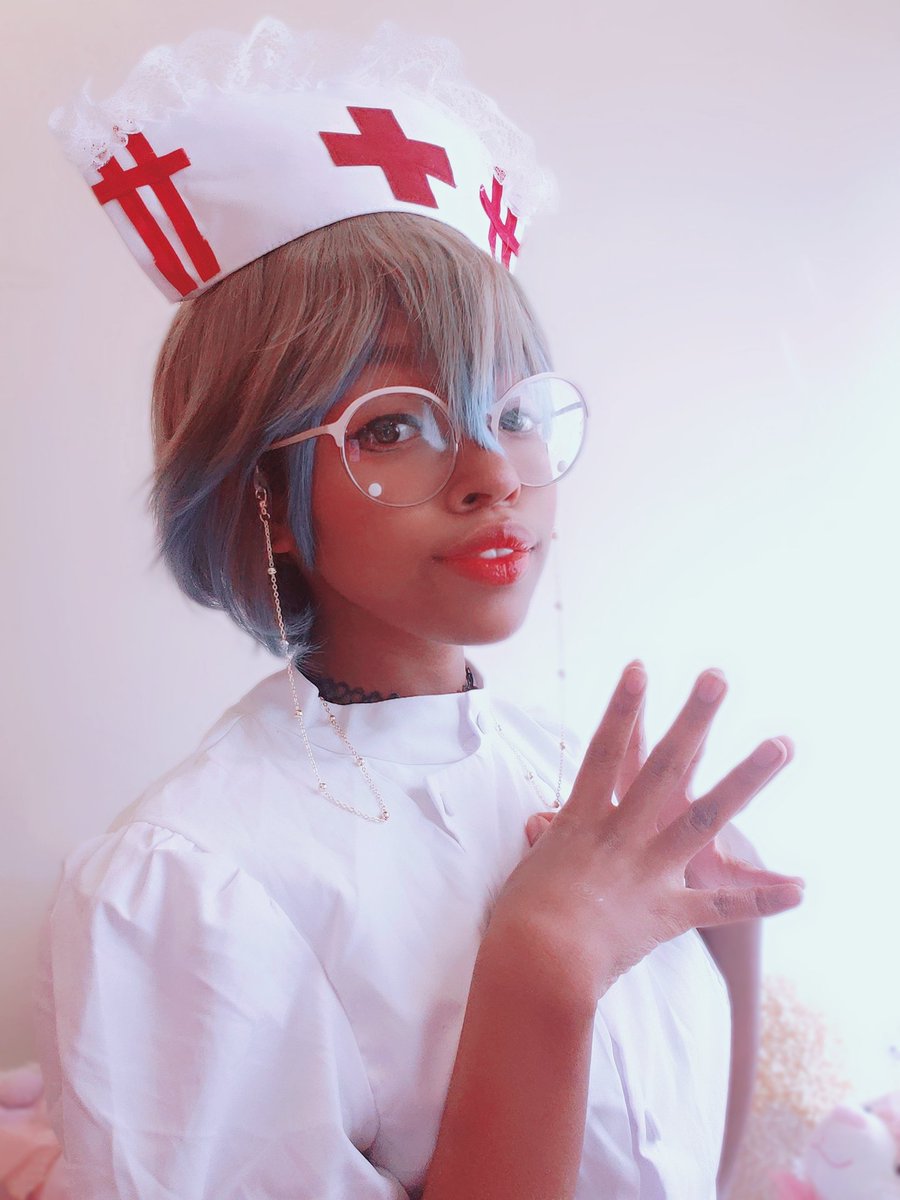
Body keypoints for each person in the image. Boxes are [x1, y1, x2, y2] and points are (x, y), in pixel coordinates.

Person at [33, 17, 805, 1200]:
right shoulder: (191, 886)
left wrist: (725, 915)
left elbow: (690, 1160)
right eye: (394, 424)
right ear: (263, 496)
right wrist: (542, 962)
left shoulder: (561, 771)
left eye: (513, 411)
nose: (493, 471)